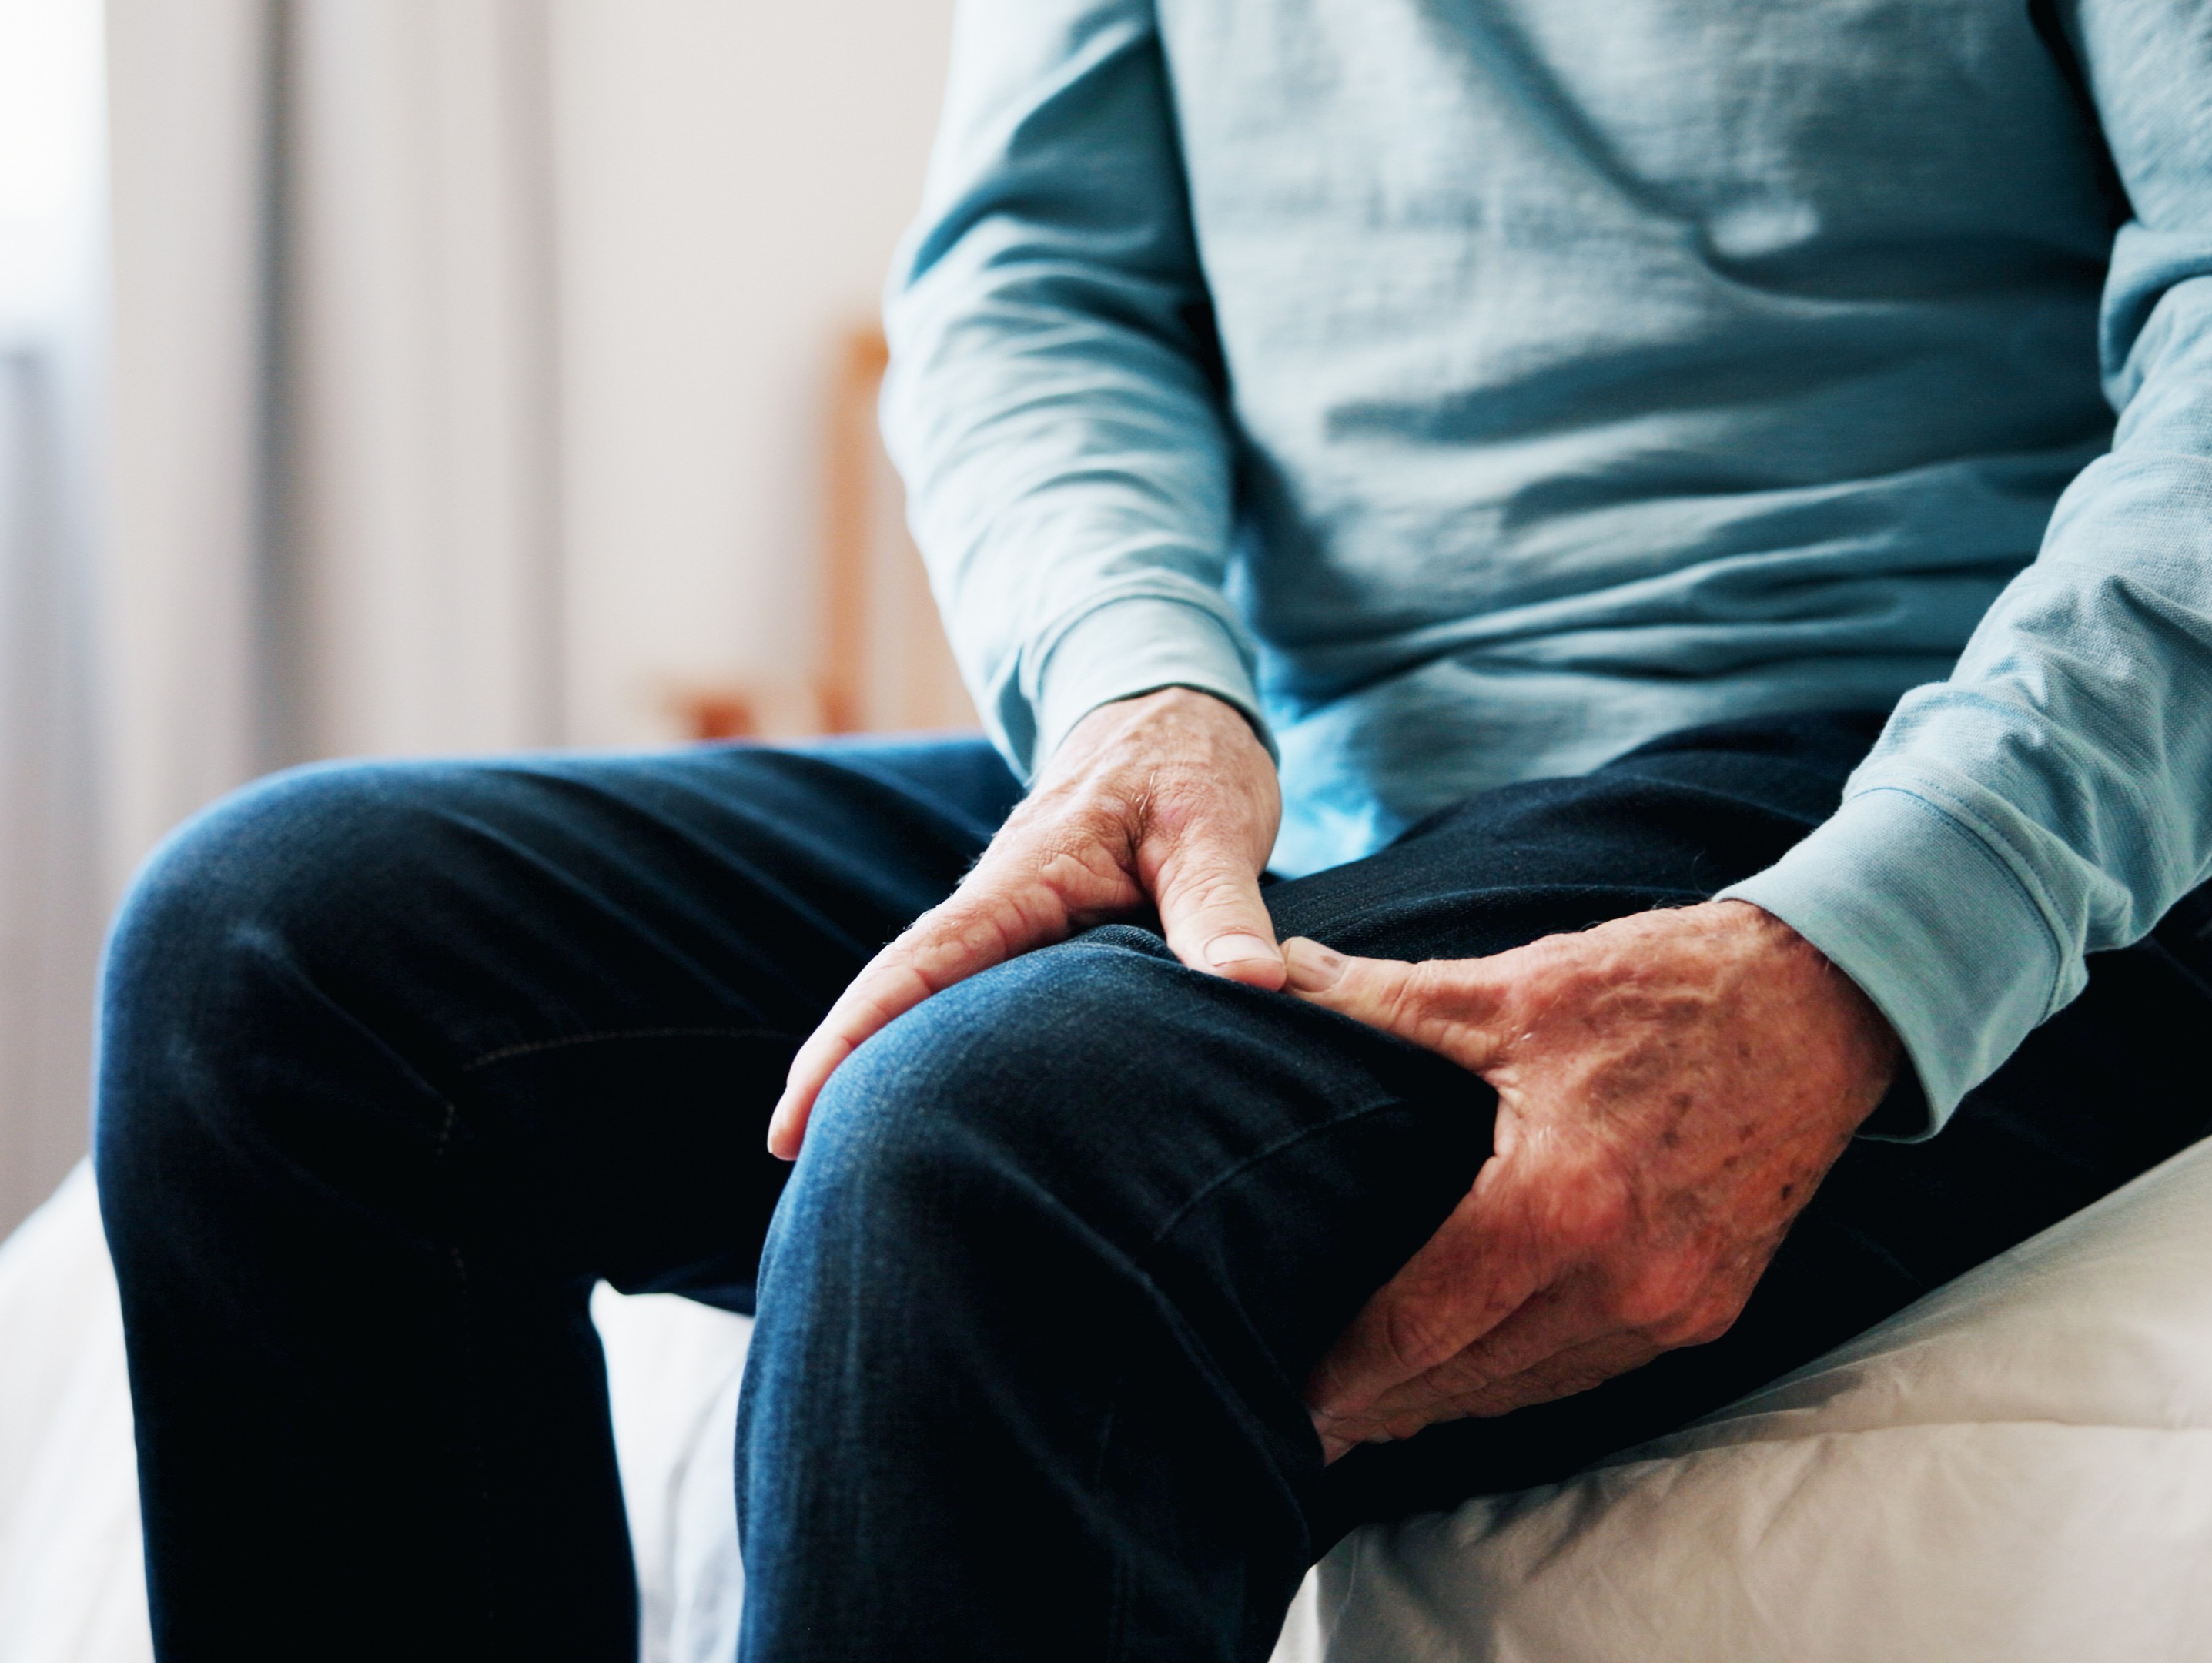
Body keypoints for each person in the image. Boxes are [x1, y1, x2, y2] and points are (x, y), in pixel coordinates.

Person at [95, 0, 2212, 1658]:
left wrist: (1870, 953)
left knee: (989, 1138)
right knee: (279, 957)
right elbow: (1036, 280)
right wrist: (1139, 697)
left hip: (1889, 760)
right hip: (1331, 773)